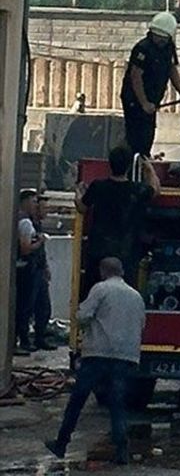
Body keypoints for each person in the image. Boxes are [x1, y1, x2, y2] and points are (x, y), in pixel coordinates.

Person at [46, 257, 145, 466]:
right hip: (125, 357)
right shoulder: (136, 296)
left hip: (98, 354)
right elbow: (142, 324)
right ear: (123, 272)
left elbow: (83, 316)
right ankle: (121, 451)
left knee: (77, 401)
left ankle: (61, 444)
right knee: (117, 404)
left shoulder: (100, 289)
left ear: (102, 271)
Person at [76, 146, 159, 290]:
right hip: (127, 252)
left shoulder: (98, 187)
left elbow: (82, 207)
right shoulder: (137, 190)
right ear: (128, 167)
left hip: (99, 251)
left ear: (110, 164)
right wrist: (149, 169)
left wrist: (78, 193)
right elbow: (155, 189)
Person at [120, 12, 180, 157]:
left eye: (164, 38)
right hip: (135, 99)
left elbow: (171, 69)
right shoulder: (143, 48)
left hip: (153, 100)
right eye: (158, 37)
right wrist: (144, 103)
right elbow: (136, 76)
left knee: (148, 134)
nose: (160, 41)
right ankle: (134, 165)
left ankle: (144, 160)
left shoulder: (168, 47)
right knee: (136, 136)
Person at [14, 189, 53, 354]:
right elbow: (25, 249)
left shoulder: (33, 223)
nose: (36, 206)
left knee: (41, 306)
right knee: (26, 307)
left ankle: (38, 338)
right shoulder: (25, 223)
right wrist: (40, 241)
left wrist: (44, 267)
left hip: (36, 269)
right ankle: (23, 340)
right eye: (34, 202)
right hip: (29, 270)